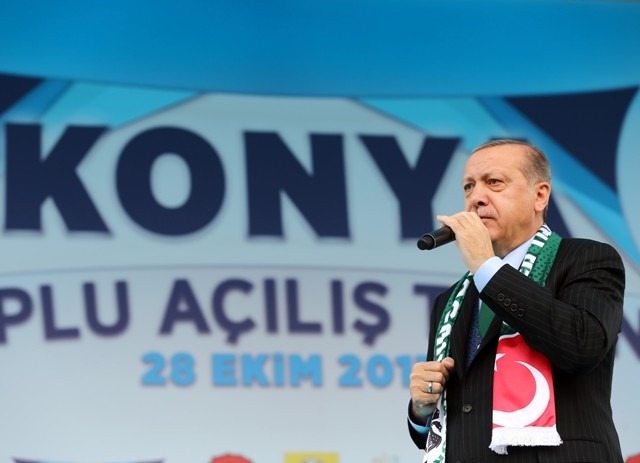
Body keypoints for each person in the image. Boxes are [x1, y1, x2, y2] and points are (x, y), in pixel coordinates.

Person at [408, 139, 625, 462]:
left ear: (540, 196)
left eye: (494, 182)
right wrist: (421, 410)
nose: (476, 198)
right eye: (468, 187)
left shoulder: (587, 259)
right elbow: (461, 414)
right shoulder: (450, 301)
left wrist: (487, 267)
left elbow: (582, 345)